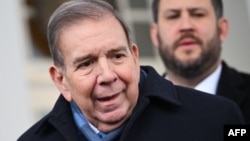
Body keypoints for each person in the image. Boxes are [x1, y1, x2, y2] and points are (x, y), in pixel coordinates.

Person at [18, 0, 244, 140]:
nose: (107, 75)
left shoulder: (219, 118)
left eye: (117, 56)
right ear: (61, 80)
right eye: (86, 63)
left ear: (134, 57)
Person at [150, 0, 250, 124]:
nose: (186, 26)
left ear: (221, 29)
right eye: (173, 16)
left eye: (198, 14)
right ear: (155, 35)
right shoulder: (136, 110)